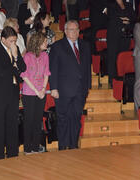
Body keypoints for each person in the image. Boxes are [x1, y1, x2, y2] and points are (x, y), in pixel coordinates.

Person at [49, 20, 91, 150]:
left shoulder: (85, 45)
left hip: (80, 90)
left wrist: (87, 86)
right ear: (65, 31)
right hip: (63, 90)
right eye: (72, 29)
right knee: (63, 119)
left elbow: (87, 68)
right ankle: (63, 146)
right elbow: (53, 68)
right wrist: (53, 88)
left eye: (77, 29)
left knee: (76, 118)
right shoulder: (57, 46)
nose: (75, 32)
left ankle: (73, 146)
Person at [0, 26, 26, 160]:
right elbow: (1, 72)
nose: (13, 43)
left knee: (12, 122)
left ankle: (12, 152)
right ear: (3, 39)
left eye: (15, 40)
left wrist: (16, 56)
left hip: (13, 91)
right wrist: (15, 66)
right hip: (0, 92)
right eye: (11, 41)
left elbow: (23, 68)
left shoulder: (14, 49)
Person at [20, 32, 50, 154]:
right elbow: (24, 76)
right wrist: (37, 91)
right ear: (37, 43)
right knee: (29, 120)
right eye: (44, 41)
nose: (46, 43)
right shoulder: (27, 56)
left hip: (41, 92)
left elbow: (46, 73)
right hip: (29, 92)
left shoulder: (45, 55)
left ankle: (35, 146)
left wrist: (43, 89)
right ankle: (27, 148)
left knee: (38, 120)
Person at [106, 0, 135, 87]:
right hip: (113, 36)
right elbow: (111, 19)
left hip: (125, 35)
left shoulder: (128, 5)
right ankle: (112, 82)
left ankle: (123, 82)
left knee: (122, 58)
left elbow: (133, 19)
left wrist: (128, 22)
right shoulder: (110, 4)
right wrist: (123, 21)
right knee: (113, 58)